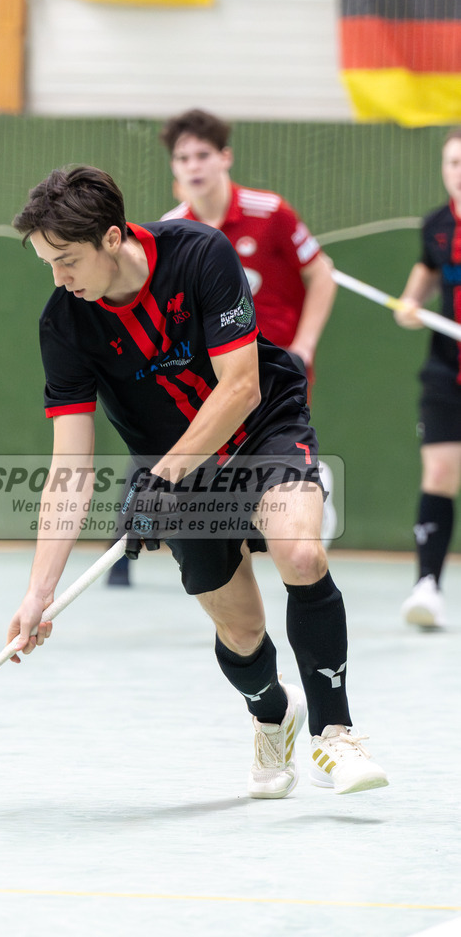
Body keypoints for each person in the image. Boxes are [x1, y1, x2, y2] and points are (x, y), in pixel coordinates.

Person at [7, 164, 388, 798]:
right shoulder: (64, 325)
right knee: (239, 632)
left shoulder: (200, 254)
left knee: (299, 549)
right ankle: (274, 716)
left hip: (261, 429)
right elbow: (69, 468)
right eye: (48, 263)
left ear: (110, 238)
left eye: (66, 260)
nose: (59, 279)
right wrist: (38, 594)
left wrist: (159, 477)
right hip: (179, 474)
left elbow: (240, 388)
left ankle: (334, 734)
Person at [108, 109, 337, 586]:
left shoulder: (269, 212)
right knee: (175, 450)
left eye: (203, 155)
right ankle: (130, 547)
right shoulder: (169, 230)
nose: (194, 165)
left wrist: (305, 345)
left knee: (266, 463)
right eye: (183, 157)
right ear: (173, 169)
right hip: (205, 376)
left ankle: (293, 517)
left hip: (272, 374)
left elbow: (322, 275)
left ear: (224, 158)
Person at [395, 127, 461, 630]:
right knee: (438, 474)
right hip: (446, 369)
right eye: (453, 163)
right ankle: (427, 586)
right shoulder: (437, 225)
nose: (458, 172)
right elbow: (417, 287)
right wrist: (410, 306)